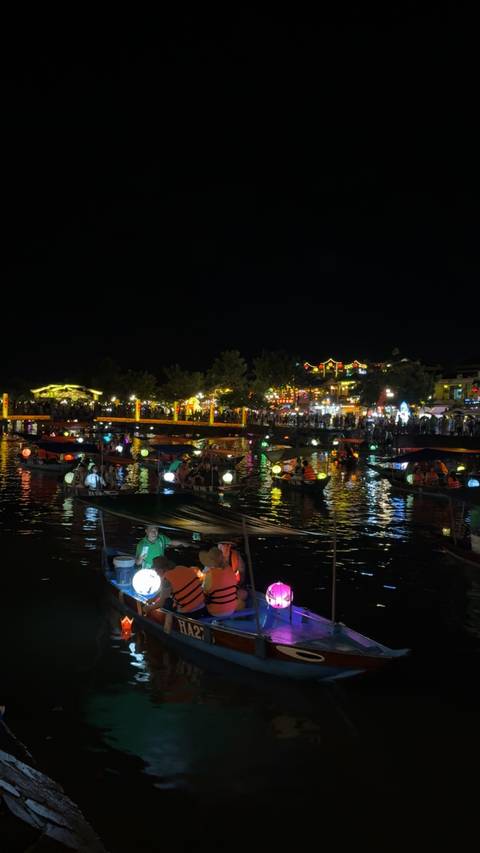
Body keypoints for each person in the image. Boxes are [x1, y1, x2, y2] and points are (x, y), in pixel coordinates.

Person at [199, 547, 240, 616]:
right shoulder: (230, 570)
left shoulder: (211, 574)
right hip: (232, 608)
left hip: (216, 611)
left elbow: (204, 592)